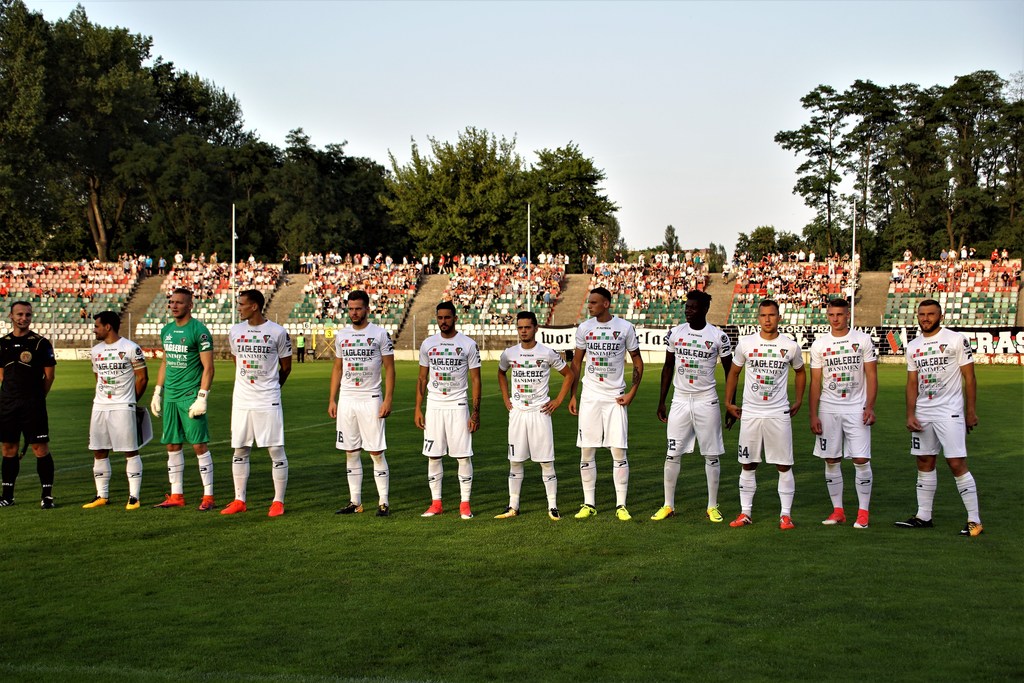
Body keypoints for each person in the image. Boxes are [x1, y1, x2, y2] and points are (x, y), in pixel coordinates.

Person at [895, 299, 982, 536]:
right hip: (923, 412)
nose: (926, 318)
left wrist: (970, 411)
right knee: (924, 461)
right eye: (922, 314)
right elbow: (912, 382)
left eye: (930, 314)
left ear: (940, 316)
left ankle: (974, 520)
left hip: (949, 411)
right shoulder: (913, 345)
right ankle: (923, 516)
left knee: (956, 463)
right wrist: (910, 413)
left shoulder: (956, 339)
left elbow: (970, 378)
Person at [724, 299, 806, 530]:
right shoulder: (746, 343)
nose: (767, 319)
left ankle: (785, 515)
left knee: (783, 465)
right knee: (748, 463)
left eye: (771, 315)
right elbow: (734, 372)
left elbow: (800, 372)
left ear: (779, 317)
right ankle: (745, 512)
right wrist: (728, 402)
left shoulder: (790, 346)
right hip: (750, 412)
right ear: (758, 318)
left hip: (778, 413)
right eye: (763, 315)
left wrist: (799, 400)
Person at [653, 290, 733, 523]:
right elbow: (668, 367)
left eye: (693, 307)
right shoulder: (675, 333)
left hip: (706, 400)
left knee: (711, 455)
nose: (688, 311)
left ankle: (712, 506)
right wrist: (662, 401)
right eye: (687, 307)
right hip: (679, 400)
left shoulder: (718, 336)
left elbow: (731, 372)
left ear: (705, 309)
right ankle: (668, 505)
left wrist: (730, 404)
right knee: (672, 454)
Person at [568, 287, 643, 521]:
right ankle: (589, 503)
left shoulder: (625, 327)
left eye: (594, 302)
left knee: (618, 451)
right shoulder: (584, 328)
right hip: (590, 395)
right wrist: (573, 395)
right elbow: (576, 364)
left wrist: (632, 392)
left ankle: (621, 505)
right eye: (589, 302)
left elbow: (637, 360)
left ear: (606, 304)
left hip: (615, 397)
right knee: (587, 450)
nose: (589, 306)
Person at [495, 311, 575, 520]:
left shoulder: (547, 353)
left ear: (536, 328)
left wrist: (558, 400)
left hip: (540, 412)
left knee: (546, 461)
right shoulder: (509, 353)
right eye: (520, 328)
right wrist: (505, 398)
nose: (523, 331)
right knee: (515, 461)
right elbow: (501, 373)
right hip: (518, 413)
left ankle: (552, 506)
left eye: (527, 327)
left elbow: (569, 375)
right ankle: (513, 506)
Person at [220, 290, 292, 517]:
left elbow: (286, 367)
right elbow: (237, 361)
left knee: (275, 448)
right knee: (240, 448)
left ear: (254, 306)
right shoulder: (235, 331)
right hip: (242, 399)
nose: (238, 308)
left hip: (268, 398)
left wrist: (271, 387)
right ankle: (239, 500)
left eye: (241, 304)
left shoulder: (277, 332)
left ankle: (278, 501)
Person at [808, 299, 877, 529]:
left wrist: (870, 406)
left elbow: (872, 375)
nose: (835, 318)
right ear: (827, 315)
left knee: (861, 459)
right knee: (831, 459)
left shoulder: (862, 340)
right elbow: (815, 381)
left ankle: (863, 513)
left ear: (848, 315)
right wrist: (813, 414)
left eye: (840, 314)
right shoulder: (820, 344)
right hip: (828, 408)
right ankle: (838, 511)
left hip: (857, 407)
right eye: (831, 314)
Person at [329, 290, 396, 517]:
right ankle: (355, 502)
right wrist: (332, 399)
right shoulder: (342, 335)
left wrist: (388, 398)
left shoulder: (379, 334)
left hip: (371, 399)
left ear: (367, 309)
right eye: (350, 309)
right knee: (351, 451)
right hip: (347, 399)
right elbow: (337, 368)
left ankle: (383, 502)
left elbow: (390, 368)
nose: (354, 313)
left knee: (376, 452)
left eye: (358, 308)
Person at [150, 288, 216, 510]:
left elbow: (208, 368)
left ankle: (208, 496)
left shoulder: (199, 331)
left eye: (179, 302)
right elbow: (165, 362)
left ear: (190, 305)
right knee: (172, 444)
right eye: (171, 302)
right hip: (170, 396)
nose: (174, 306)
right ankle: (176, 495)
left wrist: (202, 397)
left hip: (190, 396)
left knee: (198, 445)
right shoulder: (167, 330)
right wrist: (157, 391)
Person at [415, 301, 481, 519]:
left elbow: (476, 379)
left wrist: (475, 412)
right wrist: (418, 408)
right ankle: (436, 503)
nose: (443, 321)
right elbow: (422, 378)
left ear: (455, 318)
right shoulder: (428, 344)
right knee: (433, 456)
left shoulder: (468, 344)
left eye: (447, 317)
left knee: (463, 456)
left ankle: (465, 504)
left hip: (458, 405)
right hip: (434, 406)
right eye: (440, 317)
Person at [83, 311, 149, 510]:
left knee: (130, 450)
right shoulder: (96, 351)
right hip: (100, 406)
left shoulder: (130, 348)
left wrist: (130, 401)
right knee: (99, 449)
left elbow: (142, 378)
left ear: (108, 327)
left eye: (97, 326)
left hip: (123, 406)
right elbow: (98, 378)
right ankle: (102, 495)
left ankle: (134, 497)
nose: (94, 330)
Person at [0, 302, 57, 508]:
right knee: (8, 449)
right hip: (8, 404)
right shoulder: (2, 343)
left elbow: (49, 376)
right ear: (11, 316)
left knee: (40, 448)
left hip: (33, 404)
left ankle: (47, 496)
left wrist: (37, 397)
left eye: (27, 315)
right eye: (20, 314)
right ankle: (7, 496)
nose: (24, 318)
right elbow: (2, 375)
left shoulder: (41, 343)